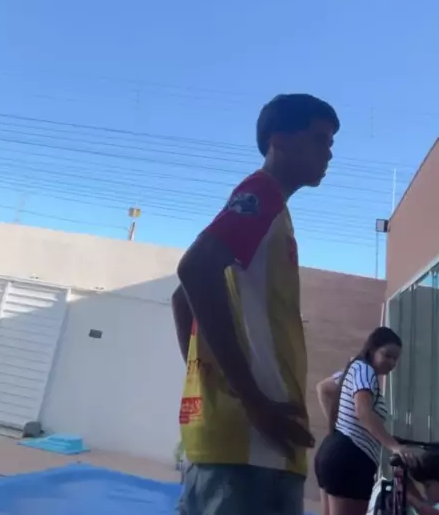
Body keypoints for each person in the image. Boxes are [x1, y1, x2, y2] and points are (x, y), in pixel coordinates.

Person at [172, 93, 340, 515]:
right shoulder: (261, 193)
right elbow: (194, 270)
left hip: (244, 446)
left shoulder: (273, 211)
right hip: (252, 450)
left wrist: (216, 385)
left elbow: (181, 298)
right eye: (320, 139)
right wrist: (249, 399)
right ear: (279, 140)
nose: (329, 153)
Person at [314, 327, 416, 515]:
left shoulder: (355, 368)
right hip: (351, 458)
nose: (392, 362)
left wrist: (339, 426)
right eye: (387, 355)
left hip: (334, 452)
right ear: (372, 349)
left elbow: (324, 388)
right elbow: (363, 411)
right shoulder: (365, 370)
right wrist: (394, 446)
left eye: (395, 359)